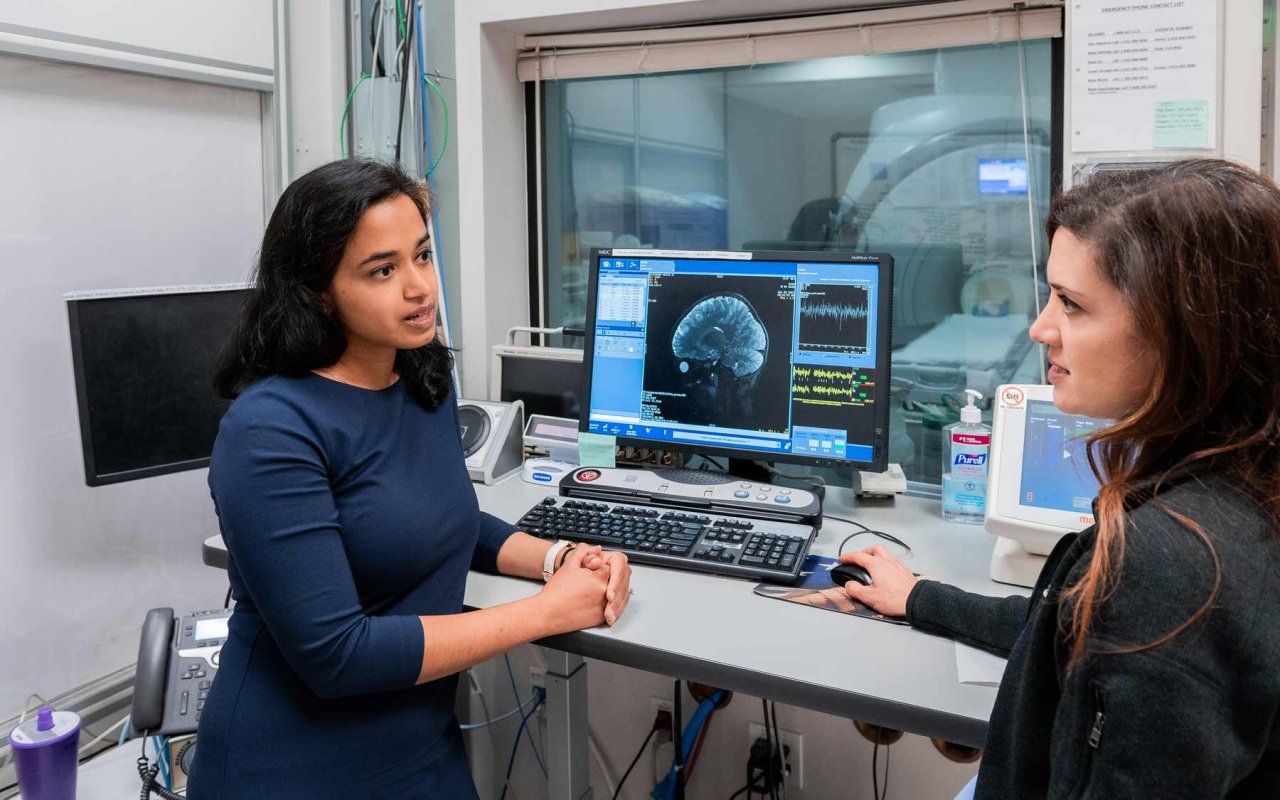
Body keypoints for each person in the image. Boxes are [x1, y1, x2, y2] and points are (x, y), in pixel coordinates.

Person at [187, 158, 632, 798]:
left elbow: (442, 516)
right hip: (295, 769)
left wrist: (563, 558)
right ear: (316, 289)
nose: (420, 287)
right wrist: (545, 612)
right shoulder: (271, 430)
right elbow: (338, 655)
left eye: (422, 256)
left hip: (421, 750)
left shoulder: (420, 378)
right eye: (383, 270)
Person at [839, 159, 1280, 797]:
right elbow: (1067, 625)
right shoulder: (1242, 489)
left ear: (1183, 331)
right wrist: (920, 598)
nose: (1040, 327)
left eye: (1071, 304)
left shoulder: (1175, 561)